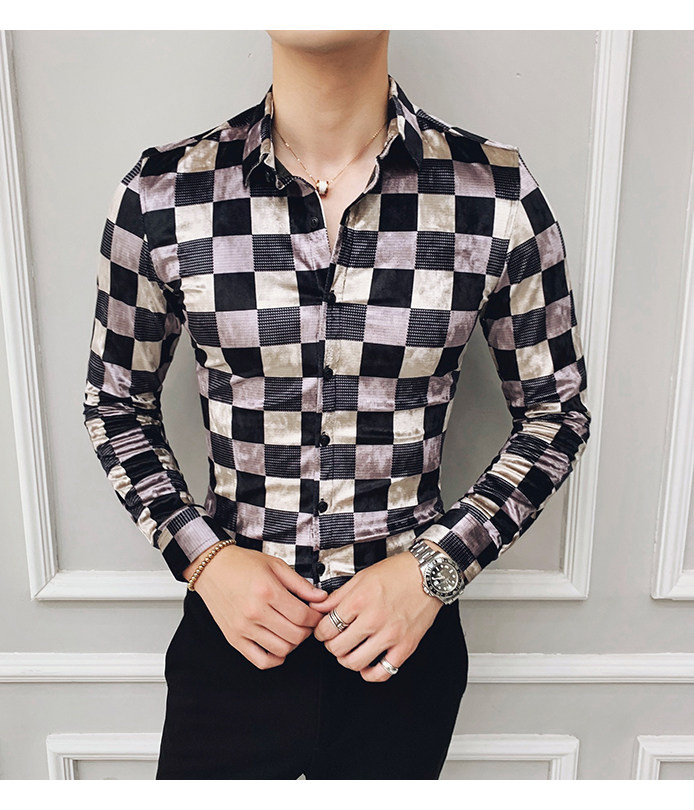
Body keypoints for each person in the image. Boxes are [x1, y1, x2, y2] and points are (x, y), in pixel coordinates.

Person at [81, 30, 592, 779]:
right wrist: (206, 560)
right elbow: (115, 404)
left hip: (402, 653)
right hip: (232, 644)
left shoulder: (494, 193)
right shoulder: (164, 194)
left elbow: (557, 410)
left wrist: (434, 569)